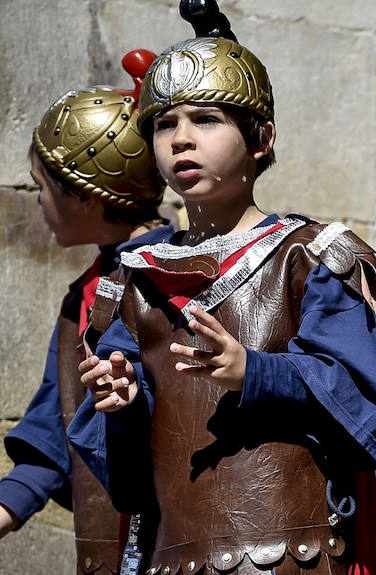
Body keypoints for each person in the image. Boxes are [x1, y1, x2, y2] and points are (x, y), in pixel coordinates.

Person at [68, 6, 376, 575]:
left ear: (262, 138)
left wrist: (255, 370)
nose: (182, 139)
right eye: (165, 125)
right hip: (173, 561)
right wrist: (121, 407)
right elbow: (128, 488)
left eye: (207, 119)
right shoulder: (130, 283)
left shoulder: (310, 256)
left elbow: (359, 403)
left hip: (292, 558)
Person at [0, 50, 172, 574]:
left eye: (42, 186)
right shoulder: (84, 297)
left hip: (187, 545)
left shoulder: (186, 276)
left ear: (85, 198)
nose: (37, 201)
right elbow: (59, 427)